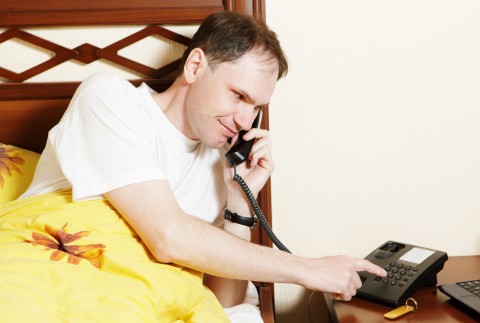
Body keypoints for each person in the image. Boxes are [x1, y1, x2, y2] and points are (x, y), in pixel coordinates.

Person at [22, 11, 386, 322]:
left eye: (256, 106)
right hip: (58, 286)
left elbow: (222, 303)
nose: (246, 119)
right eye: (238, 95)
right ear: (195, 66)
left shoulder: (221, 164)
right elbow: (168, 237)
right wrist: (308, 269)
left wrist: (241, 203)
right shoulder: (109, 99)